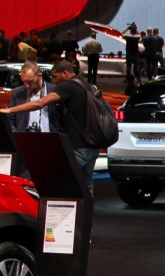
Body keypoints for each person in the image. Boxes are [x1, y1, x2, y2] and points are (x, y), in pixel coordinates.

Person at [0, 60, 99, 195]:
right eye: (24, 81)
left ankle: (74, 211)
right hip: (27, 144)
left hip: (54, 143)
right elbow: (11, 122)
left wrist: (10, 110)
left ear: (39, 75)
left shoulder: (58, 90)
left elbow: (42, 104)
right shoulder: (18, 93)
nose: (27, 85)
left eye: (30, 81)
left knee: (63, 180)